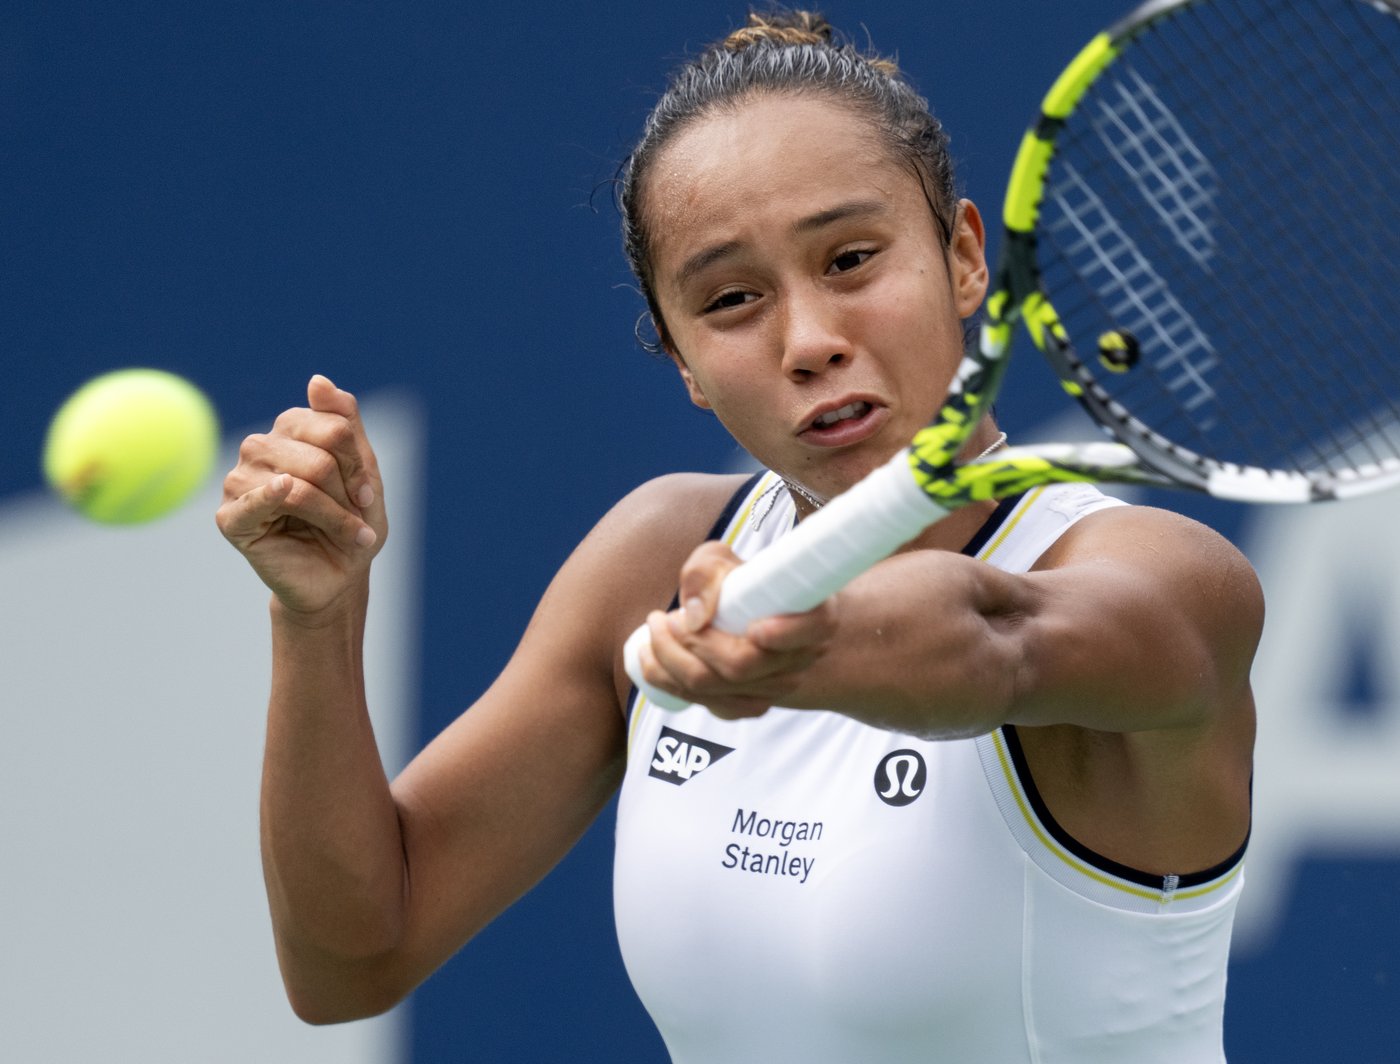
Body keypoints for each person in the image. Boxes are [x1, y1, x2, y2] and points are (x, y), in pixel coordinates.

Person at [216, 10, 1261, 1062]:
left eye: (850, 258)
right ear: (681, 360)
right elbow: (351, 957)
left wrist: (803, 643)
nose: (808, 340)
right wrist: (318, 613)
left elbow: (997, 635)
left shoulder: (1160, 577)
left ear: (960, 256)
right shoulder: (654, 554)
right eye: (730, 299)